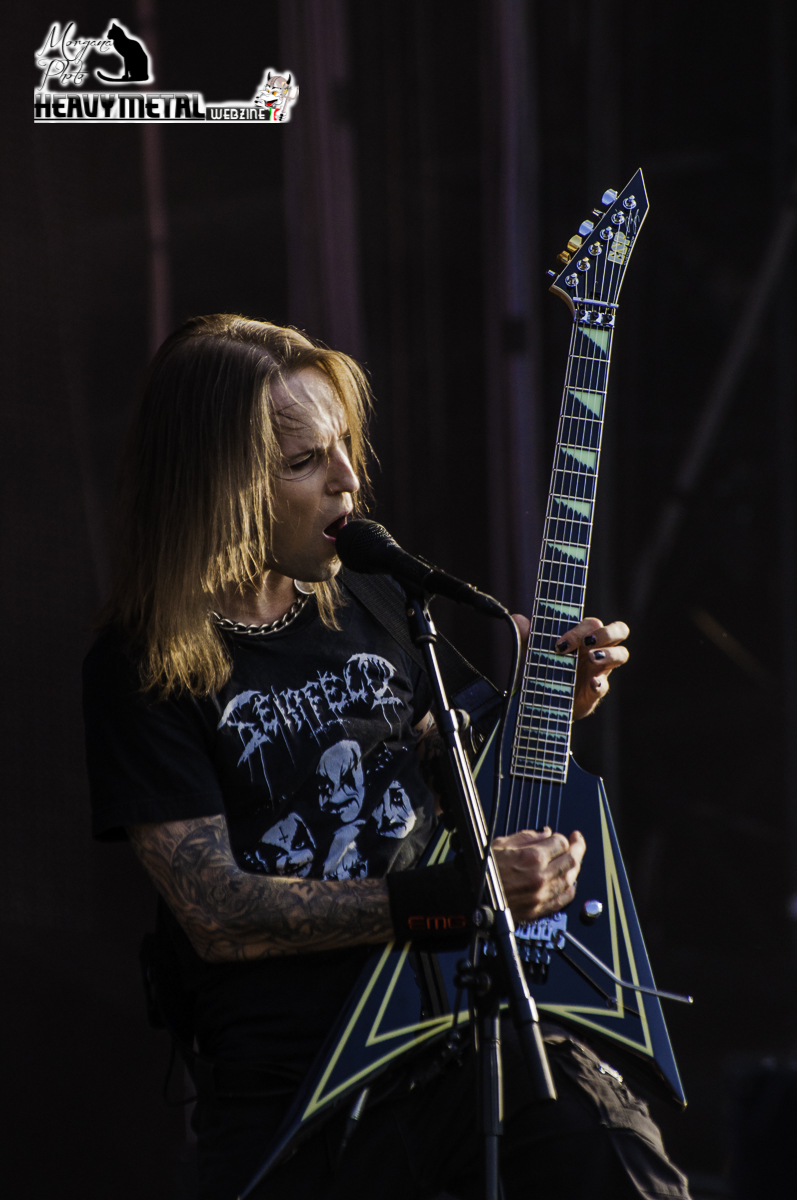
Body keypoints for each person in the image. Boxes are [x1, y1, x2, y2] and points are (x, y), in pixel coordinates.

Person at [83, 314, 691, 1199]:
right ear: (217, 484)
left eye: (342, 446)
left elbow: (458, 761)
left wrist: (550, 704)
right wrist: (458, 895)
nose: (347, 478)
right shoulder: (142, 662)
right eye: (304, 461)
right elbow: (217, 912)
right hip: (294, 1087)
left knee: (603, 1144)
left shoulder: (370, 591)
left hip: (448, 1029)